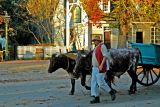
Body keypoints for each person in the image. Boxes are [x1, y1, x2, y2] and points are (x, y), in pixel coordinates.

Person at [90, 35, 116, 104]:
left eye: (95, 40)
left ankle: (111, 91)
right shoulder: (96, 47)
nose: (94, 42)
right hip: (94, 68)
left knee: (100, 83)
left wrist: (101, 65)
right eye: (94, 41)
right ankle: (96, 97)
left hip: (100, 67)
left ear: (98, 41)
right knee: (94, 83)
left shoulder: (102, 46)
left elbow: (105, 56)